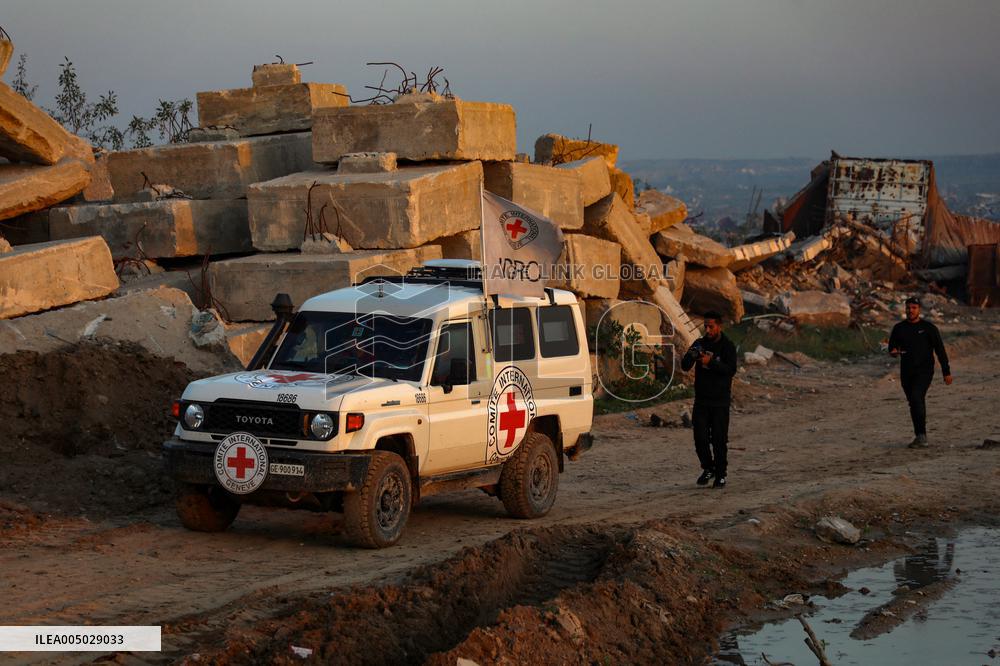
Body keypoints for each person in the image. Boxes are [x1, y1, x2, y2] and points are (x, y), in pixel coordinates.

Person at [681, 311, 737, 488]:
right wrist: (692, 355)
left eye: (711, 326)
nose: (708, 329)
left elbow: (730, 370)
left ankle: (721, 474)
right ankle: (708, 467)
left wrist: (710, 362)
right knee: (700, 439)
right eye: (705, 326)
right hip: (702, 401)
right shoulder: (700, 343)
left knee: (719, 440)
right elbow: (684, 366)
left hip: (720, 401)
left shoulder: (727, 346)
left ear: (719, 326)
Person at [888, 297, 953, 448]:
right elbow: (892, 347)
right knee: (914, 402)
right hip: (906, 372)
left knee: (917, 397)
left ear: (919, 310)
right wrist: (893, 352)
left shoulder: (929, 328)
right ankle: (919, 435)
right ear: (905, 309)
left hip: (924, 371)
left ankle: (922, 436)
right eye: (908, 308)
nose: (911, 310)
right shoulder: (899, 328)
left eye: (914, 308)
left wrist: (946, 372)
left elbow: (940, 351)